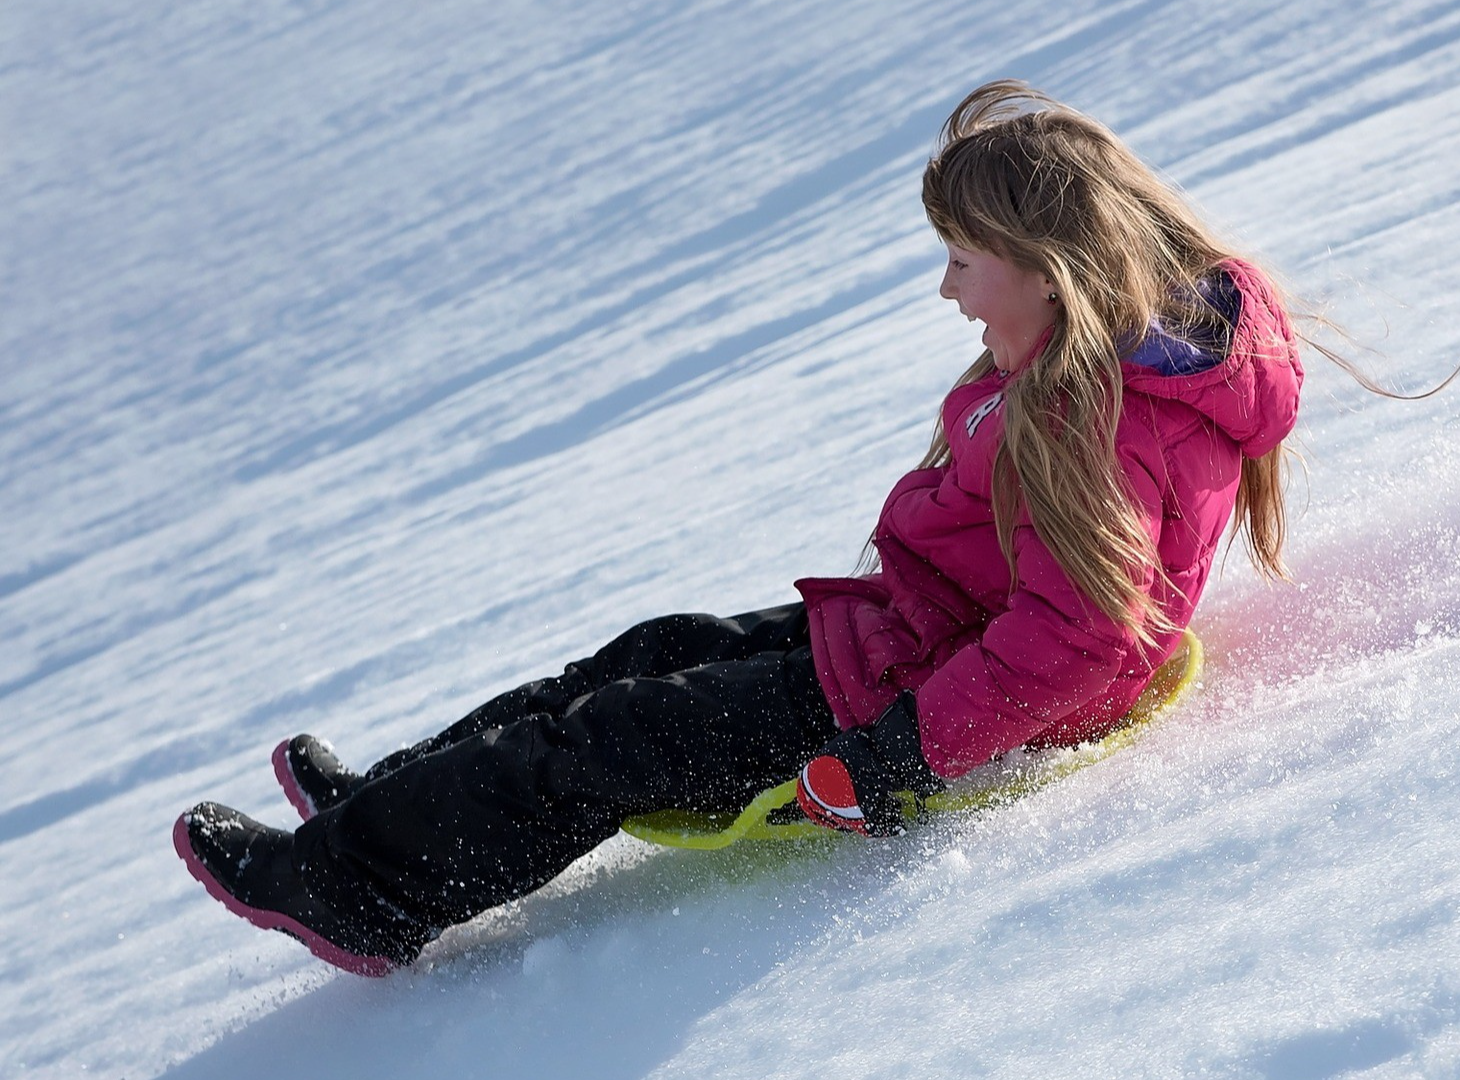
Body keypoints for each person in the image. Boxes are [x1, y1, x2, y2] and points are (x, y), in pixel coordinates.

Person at [174, 79, 1307, 977]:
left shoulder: (1095, 421)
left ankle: (354, 892)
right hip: (920, 636)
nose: (948, 292)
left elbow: (1076, 643)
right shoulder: (1111, 369)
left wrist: (902, 758)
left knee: (606, 740)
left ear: (1055, 274)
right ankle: (387, 799)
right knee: (650, 652)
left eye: (964, 262)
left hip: (915, 700)